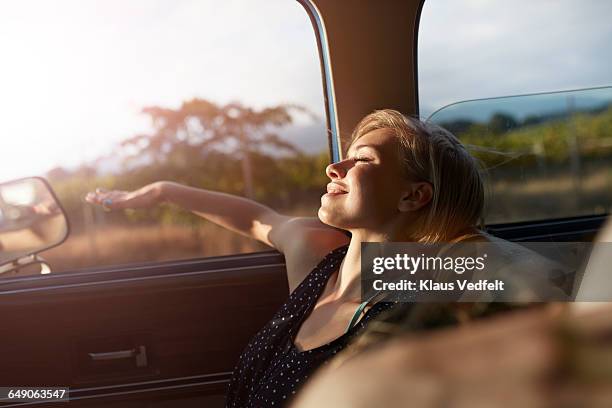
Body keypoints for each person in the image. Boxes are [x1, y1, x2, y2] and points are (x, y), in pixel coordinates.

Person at [85, 109, 486, 407]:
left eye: (362, 160)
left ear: (413, 196)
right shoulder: (319, 261)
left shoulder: (416, 318)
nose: (334, 168)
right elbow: (258, 218)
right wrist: (160, 191)